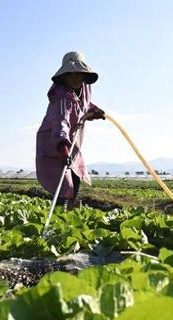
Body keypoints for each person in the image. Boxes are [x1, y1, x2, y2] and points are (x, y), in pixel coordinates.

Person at [35, 51, 105, 209]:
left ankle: (72, 215)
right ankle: (59, 219)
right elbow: (62, 123)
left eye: (78, 74)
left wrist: (96, 111)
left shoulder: (84, 88)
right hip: (54, 142)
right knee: (62, 184)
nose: (75, 78)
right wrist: (63, 149)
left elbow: (84, 106)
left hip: (71, 142)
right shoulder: (61, 98)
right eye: (70, 74)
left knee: (76, 177)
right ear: (64, 76)